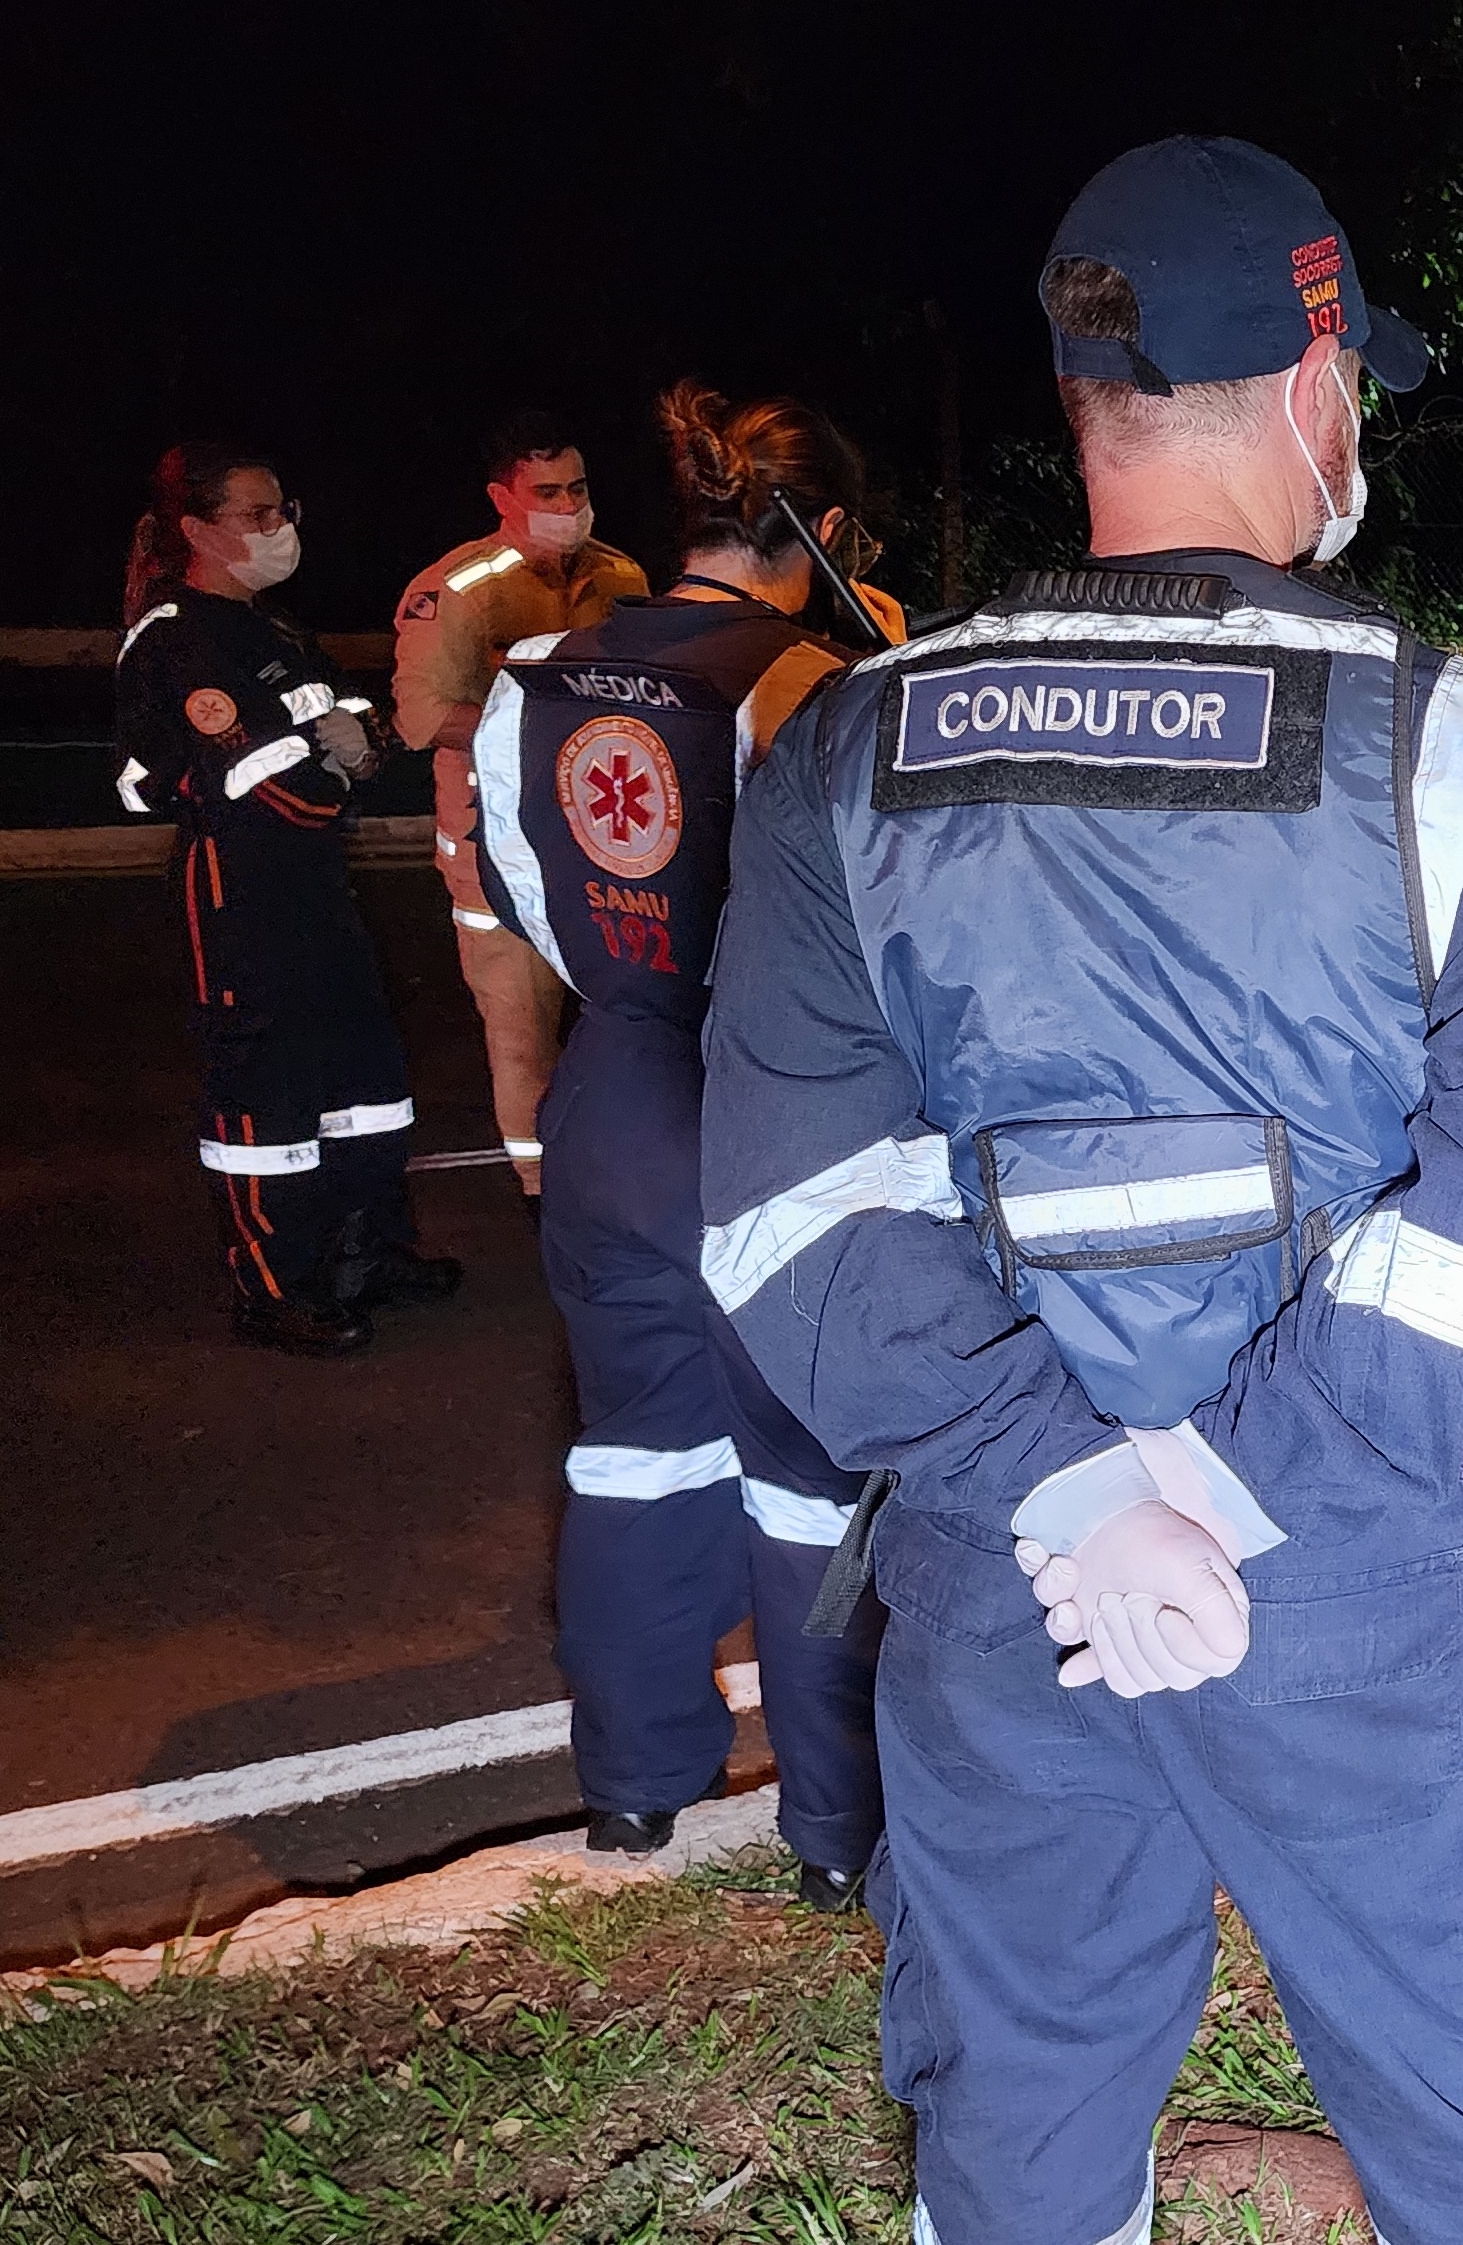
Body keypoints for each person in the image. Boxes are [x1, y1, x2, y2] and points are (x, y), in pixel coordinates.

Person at [698, 138, 1463, 2245]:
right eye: (1355, 379)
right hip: (1356, 1555)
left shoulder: (847, 750)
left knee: (1013, 2122)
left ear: (1081, 401)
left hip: (1005, 1579)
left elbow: (782, 1220)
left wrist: (1078, 1496)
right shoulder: (1459, 751)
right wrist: (1208, 1493)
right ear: (1314, 383)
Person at [474, 384, 901, 1905]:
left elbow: (522, 897)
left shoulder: (537, 670)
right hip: (776, 1117)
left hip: (614, 1094)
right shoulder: (820, 690)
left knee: (637, 1456)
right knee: (816, 1483)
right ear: (827, 532)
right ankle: (840, 1834)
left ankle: (636, 1797)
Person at [113, 443, 460, 1356]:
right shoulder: (177, 640)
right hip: (240, 891)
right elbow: (281, 787)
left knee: (363, 1077)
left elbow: (366, 742)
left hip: (316, 886)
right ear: (196, 531)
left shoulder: (274, 634)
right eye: (258, 516)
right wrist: (334, 759)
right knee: (264, 1089)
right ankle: (272, 1286)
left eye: (284, 510)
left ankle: (367, 1252)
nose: (282, 530)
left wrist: (348, 751)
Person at [392, 414, 650, 1204]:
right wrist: (548, 721)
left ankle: (626, 1177)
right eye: (545, 491)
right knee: (520, 1033)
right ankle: (542, 1193)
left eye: (576, 488)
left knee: (628, 1021)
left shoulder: (624, 578)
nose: (566, 504)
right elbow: (420, 717)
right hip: (492, 850)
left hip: (608, 839)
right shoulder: (459, 589)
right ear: (501, 496)